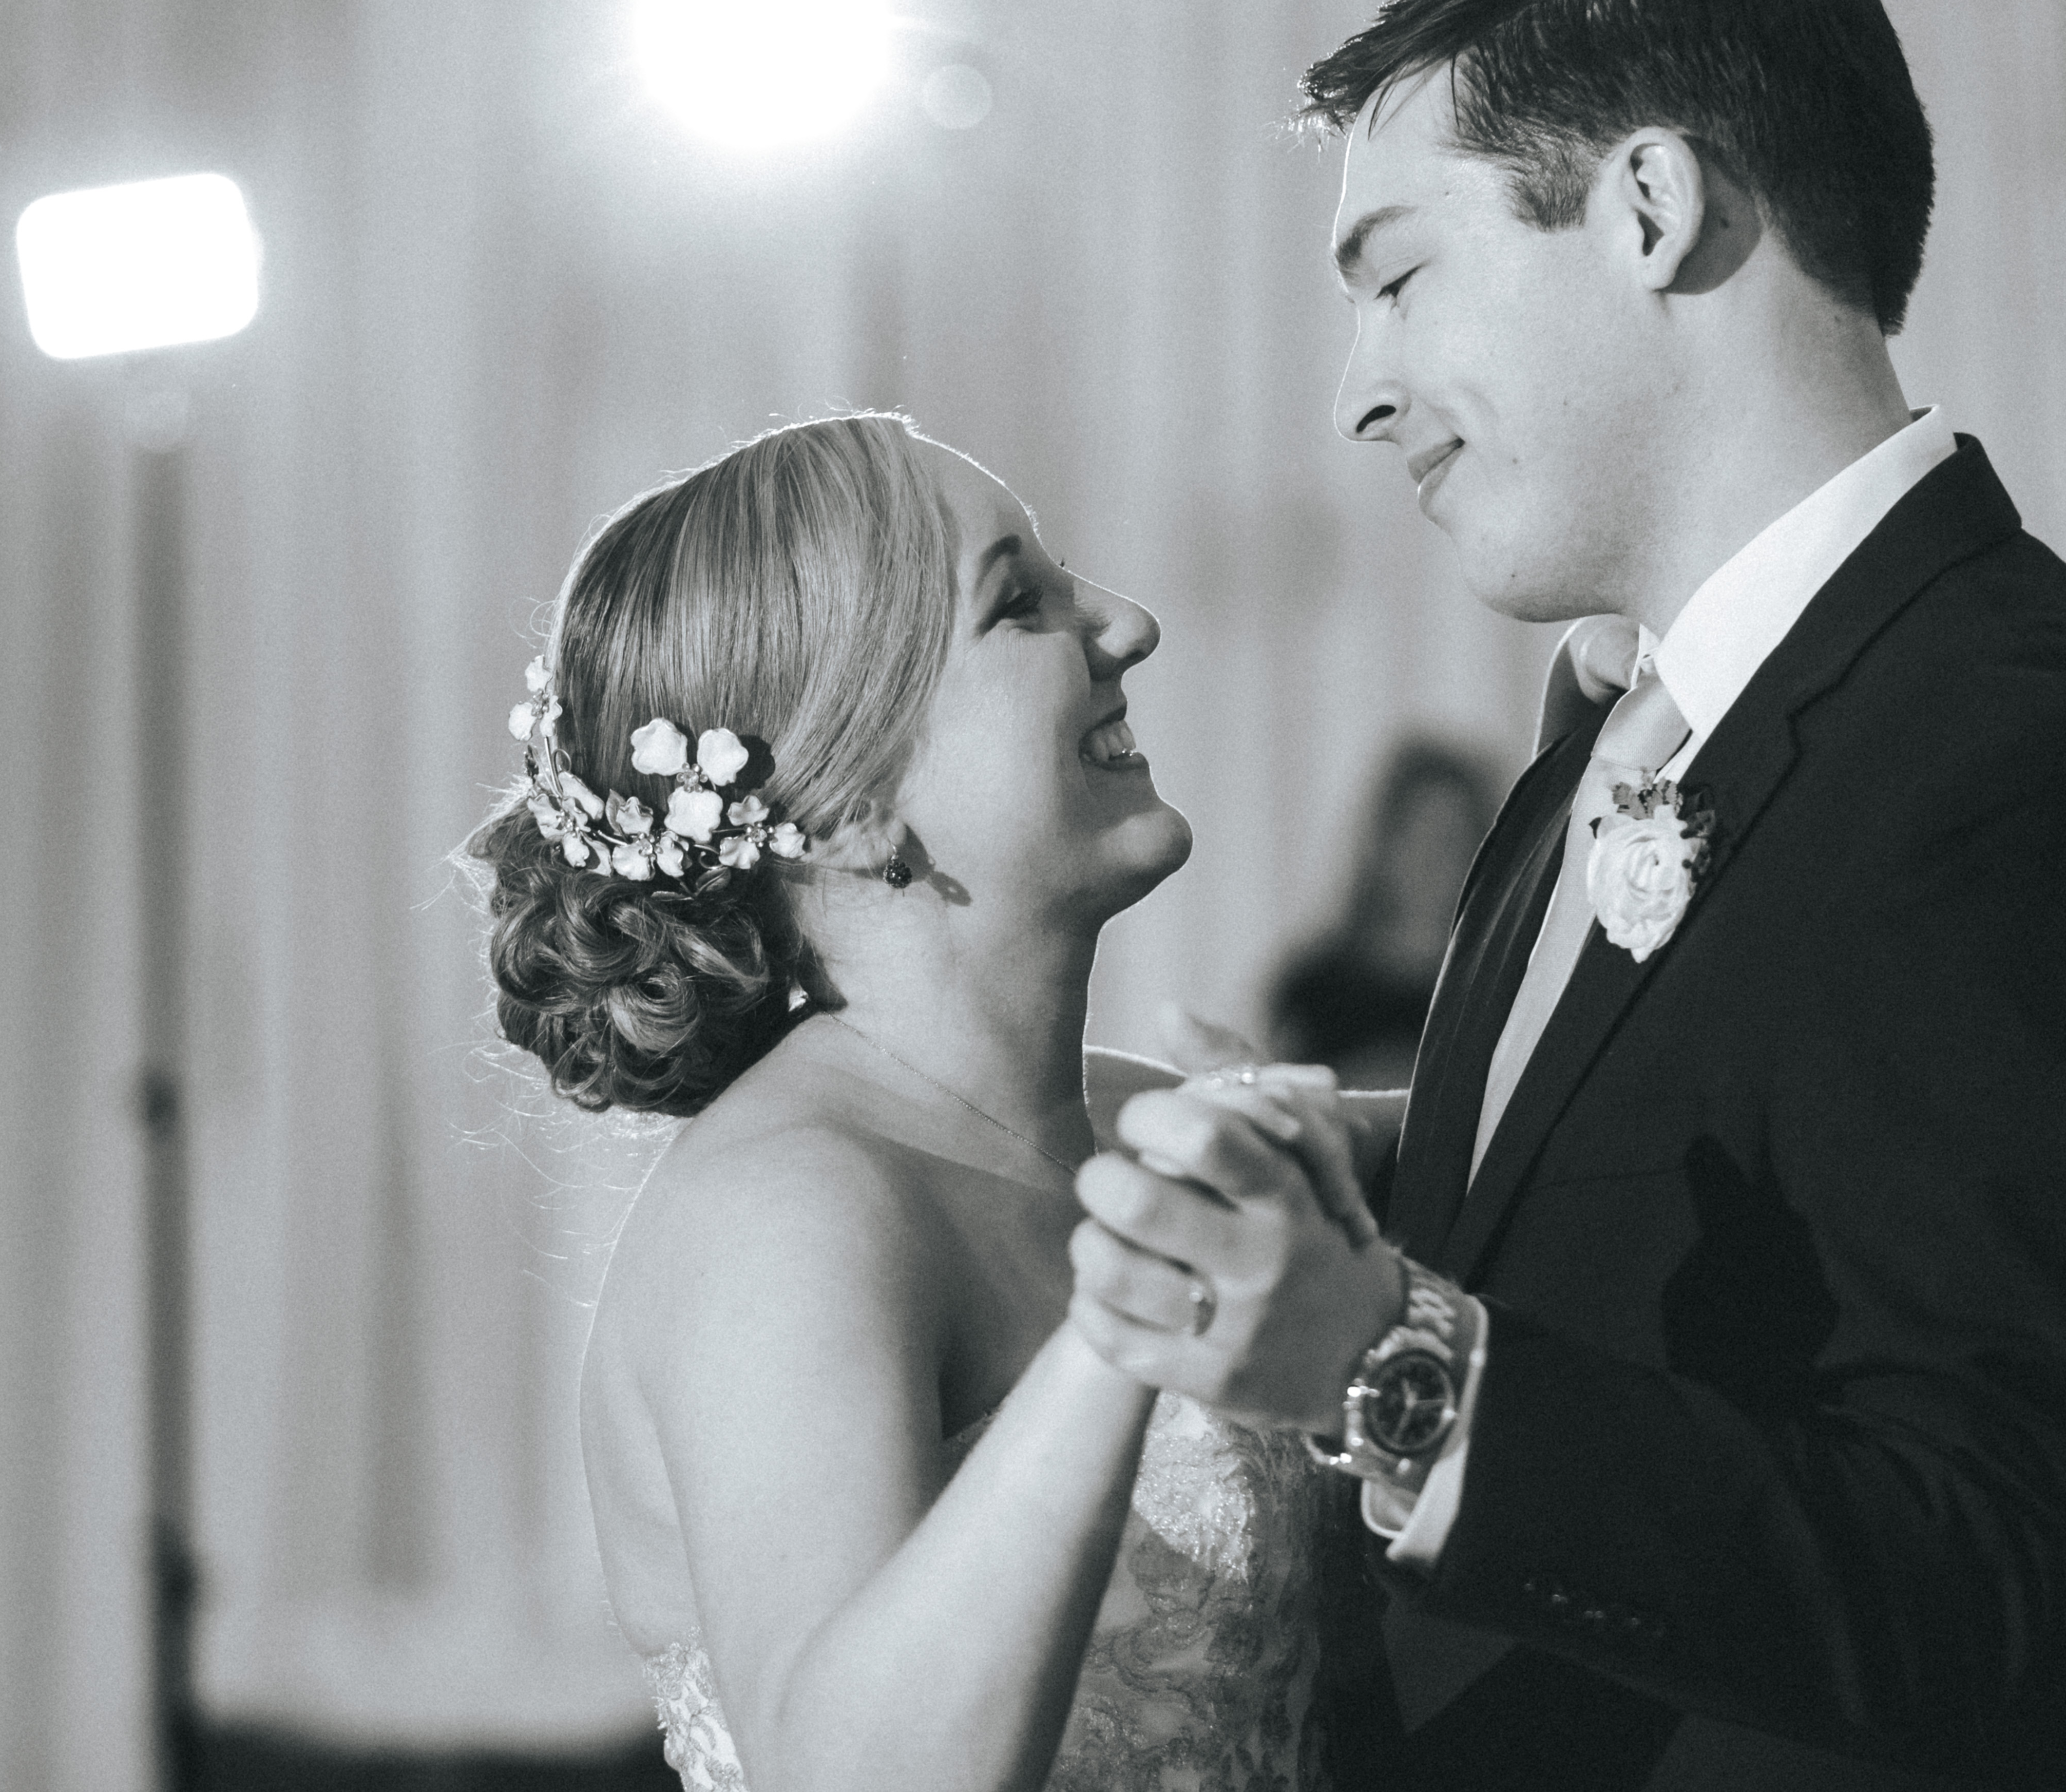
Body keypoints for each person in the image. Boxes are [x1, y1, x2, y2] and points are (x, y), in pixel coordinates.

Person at [1066, 0, 2066, 1789]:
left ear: (1652, 209)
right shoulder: (1629, 732)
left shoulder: (2029, 765)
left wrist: (1379, 1360)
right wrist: (1339, 1162)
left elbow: (1994, 1581)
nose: (1359, 393)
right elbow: (1686, 1177)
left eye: (1400, 278)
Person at [473, 413, 1393, 1792]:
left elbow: (1542, 1142)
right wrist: (1127, 1309)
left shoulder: (1142, 1123)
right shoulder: (784, 1211)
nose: (1127, 625)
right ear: (849, 810)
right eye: (1019, 602)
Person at [1267, 739, 1506, 1092]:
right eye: (1418, 834)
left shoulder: (1500, 985)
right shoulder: (1315, 985)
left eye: (1451, 838)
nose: (1433, 858)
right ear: (1384, 845)